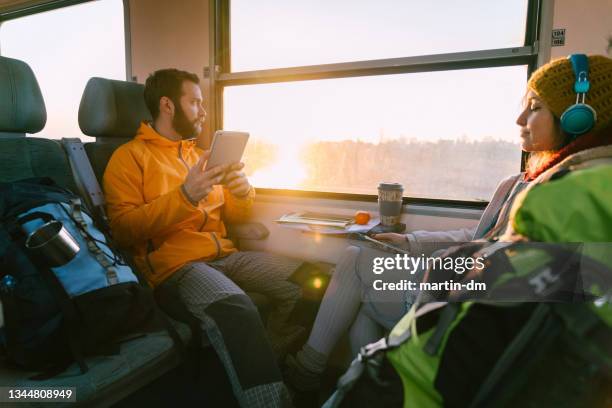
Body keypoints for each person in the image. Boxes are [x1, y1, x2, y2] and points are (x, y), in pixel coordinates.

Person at [286, 54, 612, 391]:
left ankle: (317, 370)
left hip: (471, 300)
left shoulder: (574, 194)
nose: (519, 118)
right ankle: (360, 383)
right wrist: (410, 243)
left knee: (360, 278)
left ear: (576, 119)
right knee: (360, 271)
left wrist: (445, 272)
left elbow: (538, 277)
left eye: (535, 107)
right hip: (468, 281)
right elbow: (478, 235)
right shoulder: (518, 181)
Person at [103, 68, 306, 408]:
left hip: (225, 256)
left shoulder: (200, 157)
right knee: (236, 309)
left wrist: (242, 193)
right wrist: (184, 196)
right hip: (177, 268)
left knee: (312, 281)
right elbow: (123, 229)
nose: (203, 111)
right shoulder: (128, 159)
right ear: (167, 105)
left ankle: (272, 363)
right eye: (195, 102)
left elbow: (233, 218)